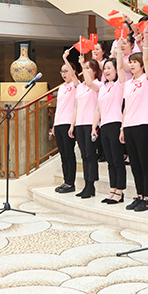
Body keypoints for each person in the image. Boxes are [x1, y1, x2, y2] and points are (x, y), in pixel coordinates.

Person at [117, 37, 148, 212]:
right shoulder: (128, 83)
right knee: (135, 164)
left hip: (142, 125)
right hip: (129, 126)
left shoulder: (147, 79)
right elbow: (126, 107)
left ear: (141, 65)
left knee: (144, 163)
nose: (131, 65)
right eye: (130, 62)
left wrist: (144, 41)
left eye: (134, 62)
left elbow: (147, 59)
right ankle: (139, 195)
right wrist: (122, 127)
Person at [92, 58, 126, 204]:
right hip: (104, 125)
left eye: (109, 68)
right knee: (110, 161)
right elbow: (98, 109)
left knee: (117, 160)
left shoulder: (119, 85)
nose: (106, 71)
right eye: (104, 68)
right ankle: (112, 189)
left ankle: (120, 191)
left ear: (116, 70)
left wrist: (118, 52)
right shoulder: (103, 88)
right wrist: (94, 126)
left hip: (115, 123)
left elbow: (122, 70)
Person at [69, 56, 102, 198]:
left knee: (90, 155)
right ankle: (86, 184)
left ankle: (91, 184)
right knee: (83, 155)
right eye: (85, 68)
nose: (86, 70)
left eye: (89, 68)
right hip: (80, 124)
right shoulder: (81, 87)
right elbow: (76, 107)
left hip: (90, 123)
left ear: (95, 71)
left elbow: (89, 82)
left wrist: (82, 65)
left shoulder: (98, 84)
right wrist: (72, 125)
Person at [52, 50, 79, 193]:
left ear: (72, 71)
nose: (64, 74)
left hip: (68, 123)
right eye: (62, 71)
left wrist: (65, 58)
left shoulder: (76, 85)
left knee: (69, 153)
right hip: (59, 123)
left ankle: (71, 183)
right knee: (63, 155)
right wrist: (54, 125)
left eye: (66, 71)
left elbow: (74, 76)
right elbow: (58, 108)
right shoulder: (61, 88)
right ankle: (65, 181)